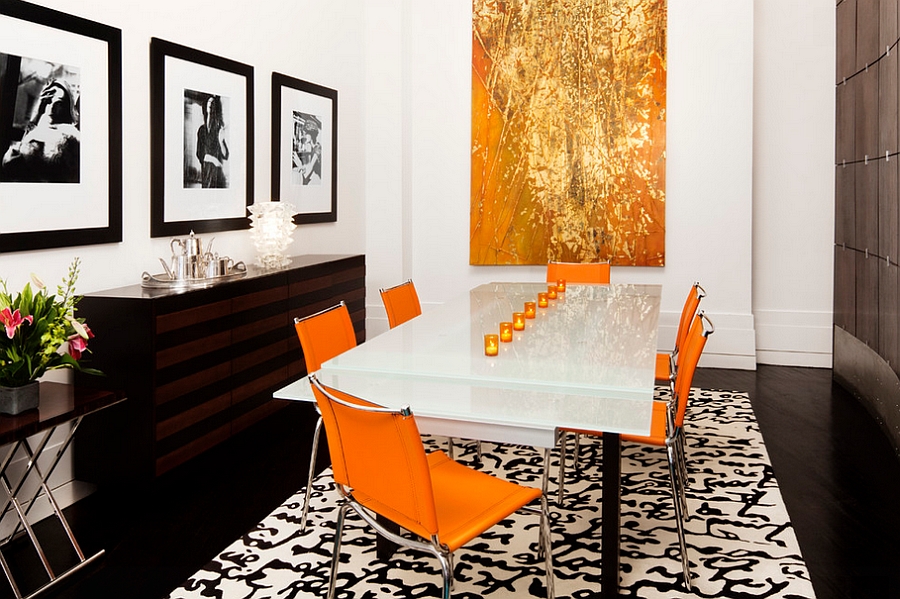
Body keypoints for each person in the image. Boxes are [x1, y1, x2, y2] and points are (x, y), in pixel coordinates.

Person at [0, 79, 80, 183]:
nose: (51, 107)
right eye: (48, 101)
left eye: (59, 103)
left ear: (66, 107)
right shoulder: (43, 129)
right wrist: (39, 111)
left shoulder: (68, 138)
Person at [195, 95, 229, 188]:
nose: (210, 104)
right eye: (209, 102)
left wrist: (221, 141)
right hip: (206, 172)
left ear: (215, 108)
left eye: (213, 103)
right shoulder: (201, 130)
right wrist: (213, 159)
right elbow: (199, 154)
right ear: (206, 106)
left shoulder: (218, 129)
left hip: (217, 174)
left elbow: (225, 155)